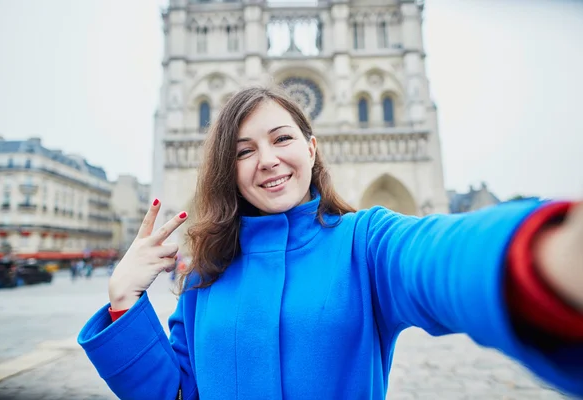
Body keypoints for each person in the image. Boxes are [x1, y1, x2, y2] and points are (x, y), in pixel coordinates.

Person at [78, 86, 583, 400]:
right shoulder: (207, 273)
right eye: (244, 150)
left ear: (312, 147)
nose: (268, 160)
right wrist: (124, 303)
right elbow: (179, 394)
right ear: (226, 171)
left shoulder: (364, 243)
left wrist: (541, 255)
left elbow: (434, 257)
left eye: (282, 138)